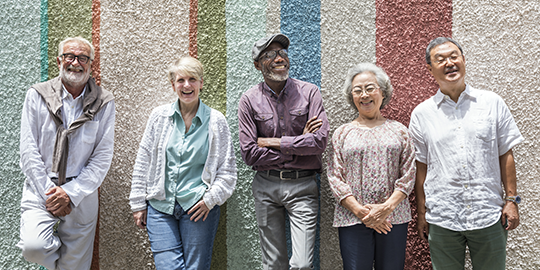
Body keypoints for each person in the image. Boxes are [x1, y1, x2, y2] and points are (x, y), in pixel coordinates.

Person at [410, 37, 524, 269]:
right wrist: (422, 213)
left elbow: (506, 154)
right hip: (443, 216)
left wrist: (511, 201)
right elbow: (421, 167)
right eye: (440, 59)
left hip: (488, 214)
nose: (449, 63)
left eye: (454, 56)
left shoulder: (492, 102)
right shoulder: (422, 114)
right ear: (430, 69)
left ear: (464, 60)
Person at [129, 56, 237, 270]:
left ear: (201, 84)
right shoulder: (159, 117)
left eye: (192, 79)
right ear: (173, 85)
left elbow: (228, 171)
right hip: (160, 207)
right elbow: (144, 160)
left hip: (198, 208)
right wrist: (138, 203)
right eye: (181, 80)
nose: (186, 85)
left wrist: (210, 199)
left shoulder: (216, 121)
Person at [17, 36, 115, 270]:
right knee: (34, 247)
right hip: (41, 188)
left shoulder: (104, 102)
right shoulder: (37, 95)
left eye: (83, 58)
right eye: (70, 56)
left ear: (91, 64)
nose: (76, 62)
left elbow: (102, 157)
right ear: (59, 61)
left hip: (81, 193)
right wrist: (52, 195)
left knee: (76, 266)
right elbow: (28, 150)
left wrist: (70, 194)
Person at [238, 33, 329, 270]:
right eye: (269, 54)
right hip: (266, 186)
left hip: (303, 187)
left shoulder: (310, 93)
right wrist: (300, 142)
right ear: (257, 65)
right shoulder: (248, 100)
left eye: (282, 53)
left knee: (302, 264)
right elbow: (249, 153)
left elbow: (319, 143)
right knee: (272, 264)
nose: (279, 58)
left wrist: (272, 142)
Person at [327, 63, 416, 270]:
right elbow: (334, 176)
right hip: (352, 218)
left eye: (370, 88)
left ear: (382, 92)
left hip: (393, 217)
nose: (364, 95)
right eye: (357, 90)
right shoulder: (342, 133)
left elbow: (409, 173)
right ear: (352, 97)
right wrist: (361, 212)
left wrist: (385, 208)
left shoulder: (399, 131)